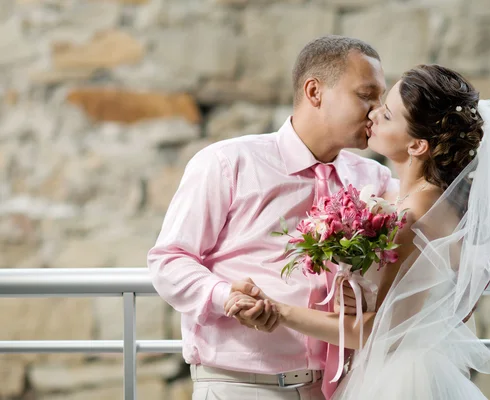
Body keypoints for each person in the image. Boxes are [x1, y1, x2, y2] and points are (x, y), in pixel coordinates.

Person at [229, 65, 490, 399]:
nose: (372, 114)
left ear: (416, 146)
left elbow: (378, 332)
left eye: (386, 115)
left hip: (401, 380)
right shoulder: (402, 198)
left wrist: (280, 311)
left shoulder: (412, 215)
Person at [147, 35, 398, 400]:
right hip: (238, 386)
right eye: (365, 95)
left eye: (381, 99)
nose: (376, 110)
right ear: (315, 92)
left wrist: (365, 295)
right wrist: (225, 298)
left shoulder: (374, 180)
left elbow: (405, 268)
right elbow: (168, 260)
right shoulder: (227, 162)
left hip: (338, 388)